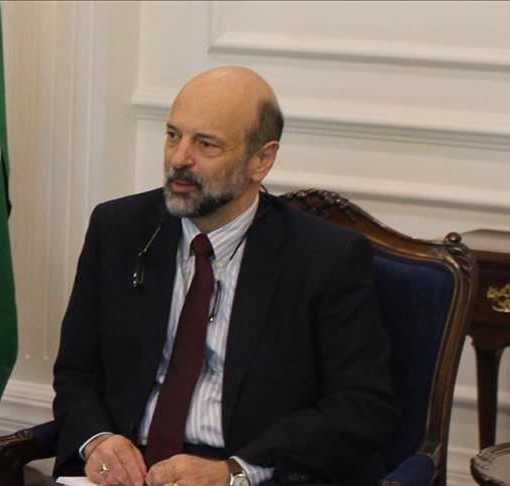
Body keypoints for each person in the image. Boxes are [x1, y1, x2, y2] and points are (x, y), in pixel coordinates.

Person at [52, 66, 398, 486]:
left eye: (206, 144)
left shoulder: (325, 257)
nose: (179, 159)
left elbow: (360, 406)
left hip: (247, 470)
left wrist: (235, 472)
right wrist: (98, 441)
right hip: (129, 471)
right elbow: (76, 372)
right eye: (173, 135)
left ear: (261, 160)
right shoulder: (118, 229)